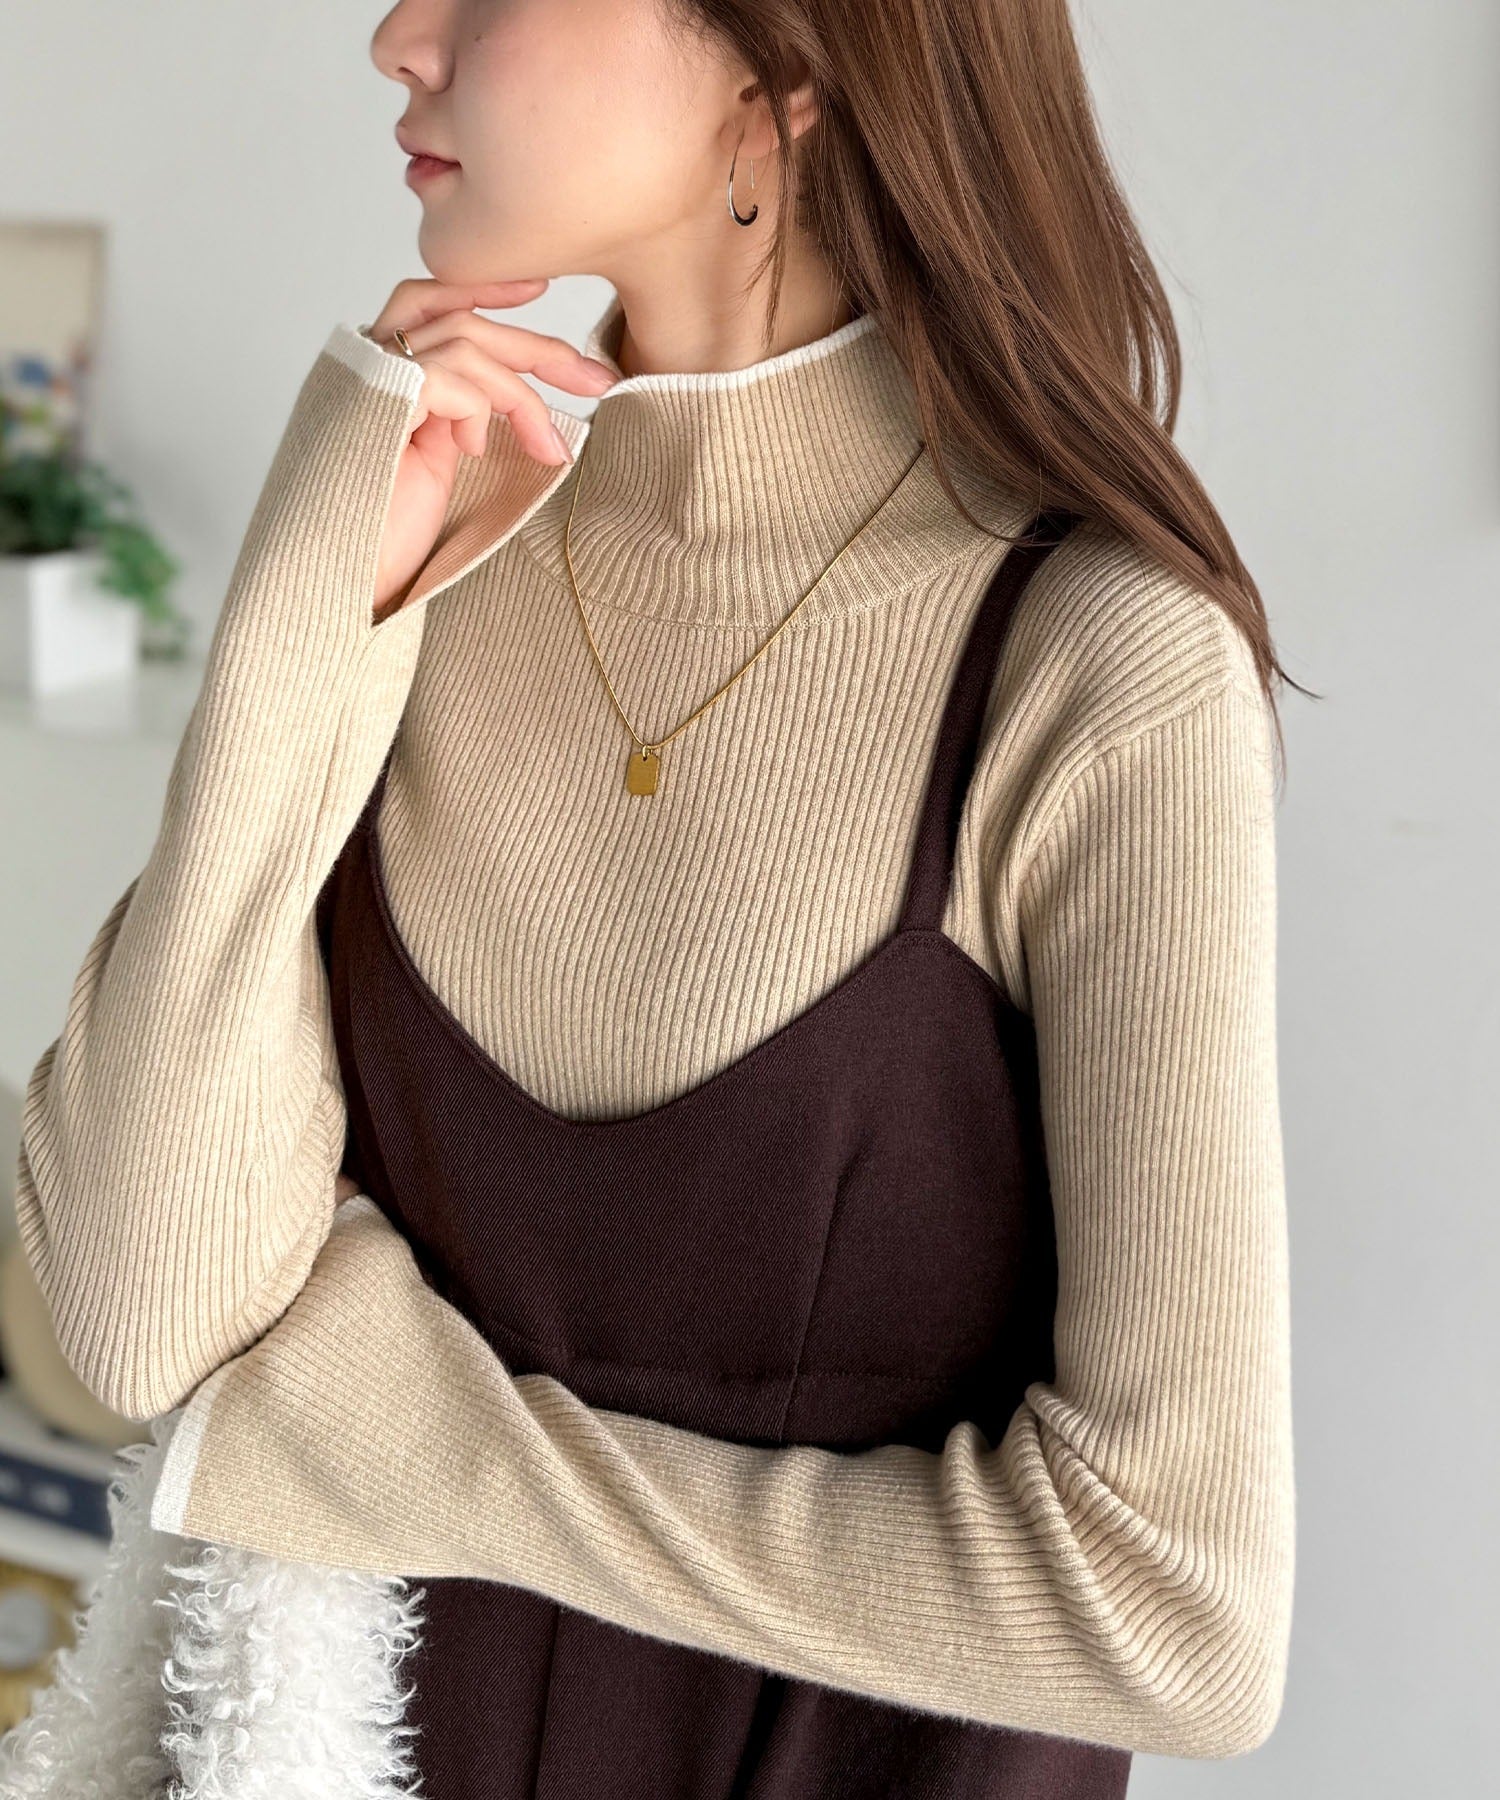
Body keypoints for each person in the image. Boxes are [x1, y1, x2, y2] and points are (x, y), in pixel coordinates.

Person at [11, 2, 1298, 1795]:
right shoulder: (439, 536)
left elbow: (1178, 1619)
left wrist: (434, 1450)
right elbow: (139, 1321)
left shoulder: (1100, 667)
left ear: (786, 69)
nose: (399, 38)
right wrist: (305, 609)